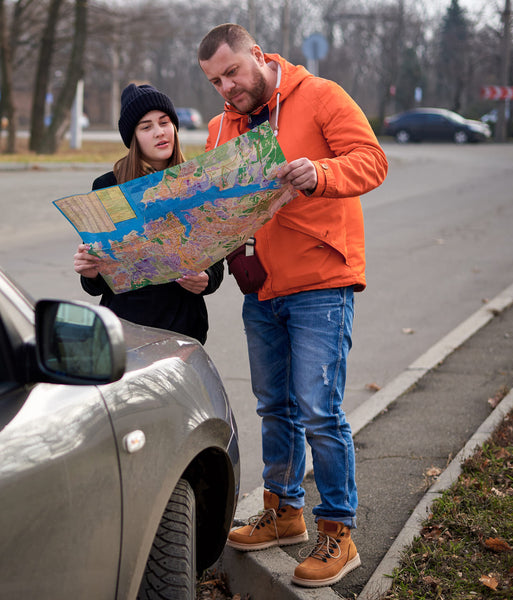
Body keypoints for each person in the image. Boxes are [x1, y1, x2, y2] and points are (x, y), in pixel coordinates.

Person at [197, 24, 388, 587]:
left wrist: (320, 173)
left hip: (321, 283)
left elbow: (372, 161)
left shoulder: (321, 95)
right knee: (273, 407)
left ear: (258, 55)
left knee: (318, 409)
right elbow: (214, 212)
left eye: (232, 72)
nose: (227, 87)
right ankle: (284, 511)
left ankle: (338, 530)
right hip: (261, 287)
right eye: (214, 81)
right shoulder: (219, 130)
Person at [73, 83, 224, 344]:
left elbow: (215, 263)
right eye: (146, 127)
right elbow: (97, 283)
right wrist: (89, 272)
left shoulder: (196, 183)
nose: (159, 133)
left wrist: (206, 279)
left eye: (164, 122)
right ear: (133, 137)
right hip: (124, 329)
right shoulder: (108, 187)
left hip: (183, 329)